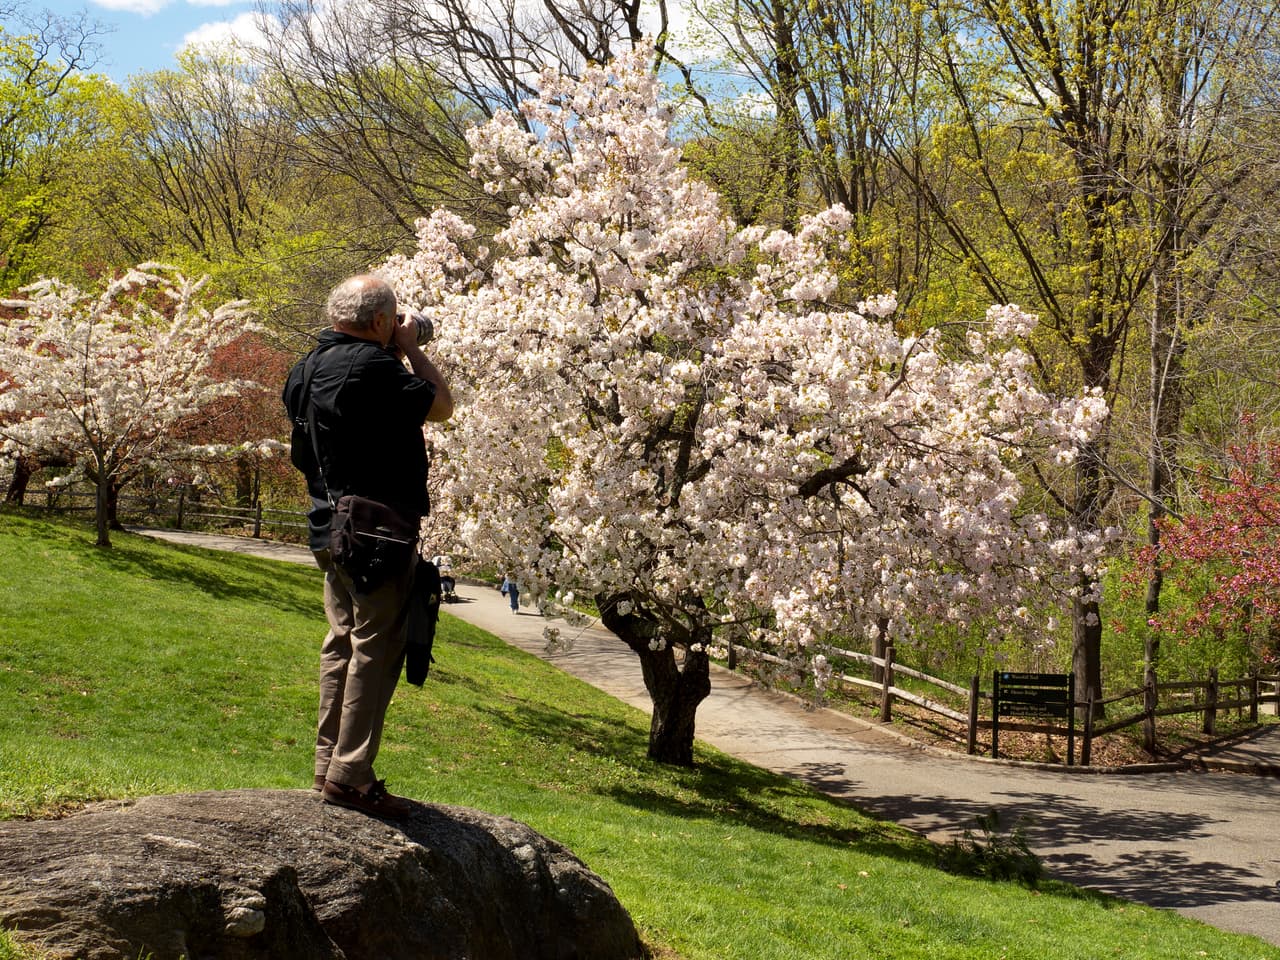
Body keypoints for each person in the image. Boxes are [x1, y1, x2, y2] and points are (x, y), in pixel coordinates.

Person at [282, 274, 453, 818]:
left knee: (341, 641)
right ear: (380, 321)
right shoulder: (377, 367)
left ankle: (326, 764)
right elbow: (443, 405)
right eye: (394, 319)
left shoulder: (304, 369)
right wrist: (409, 350)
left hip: (327, 525)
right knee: (375, 648)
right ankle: (351, 776)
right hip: (379, 531)